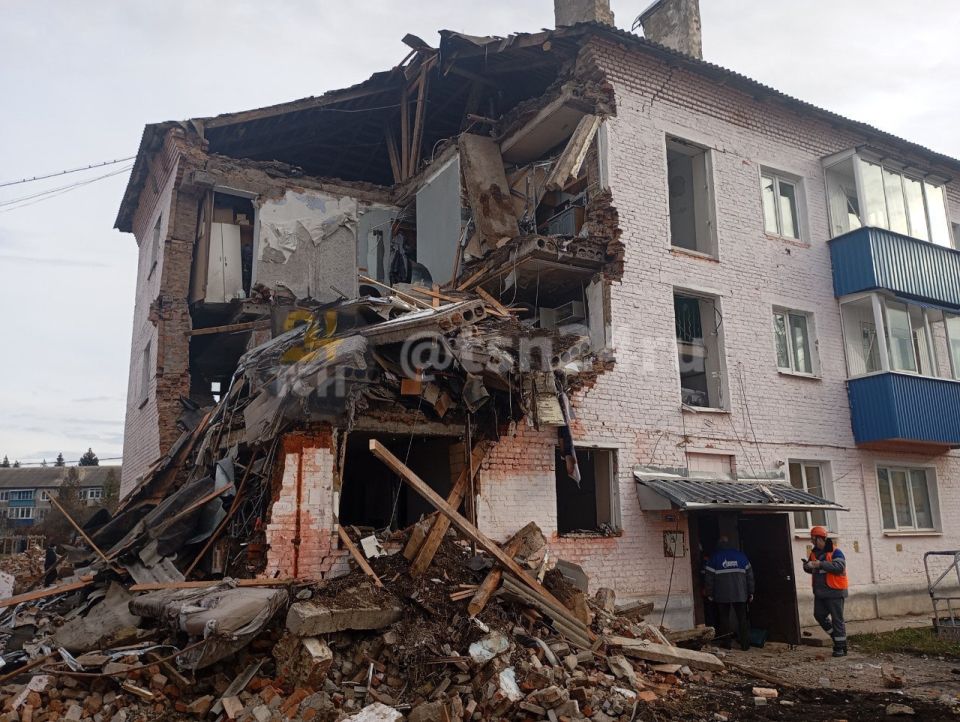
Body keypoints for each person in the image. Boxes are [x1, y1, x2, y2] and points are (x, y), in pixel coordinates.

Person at [803, 525, 848, 657]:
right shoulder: (814, 553)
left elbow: (839, 567)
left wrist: (820, 564)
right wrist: (807, 566)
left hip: (835, 591)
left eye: (813, 539)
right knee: (819, 615)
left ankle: (840, 647)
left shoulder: (835, 551)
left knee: (837, 619)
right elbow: (812, 569)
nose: (812, 541)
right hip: (820, 592)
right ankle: (836, 637)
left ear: (820, 539)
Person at [705, 536, 755, 651]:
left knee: (724, 619)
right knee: (742, 619)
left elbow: (709, 579)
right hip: (741, 594)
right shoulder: (741, 556)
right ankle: (745, 645)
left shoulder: (714, 558)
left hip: (722, 595)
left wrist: (710, 594)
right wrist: (751, 592)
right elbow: (750, 576)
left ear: (719, 545)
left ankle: (727, 644)